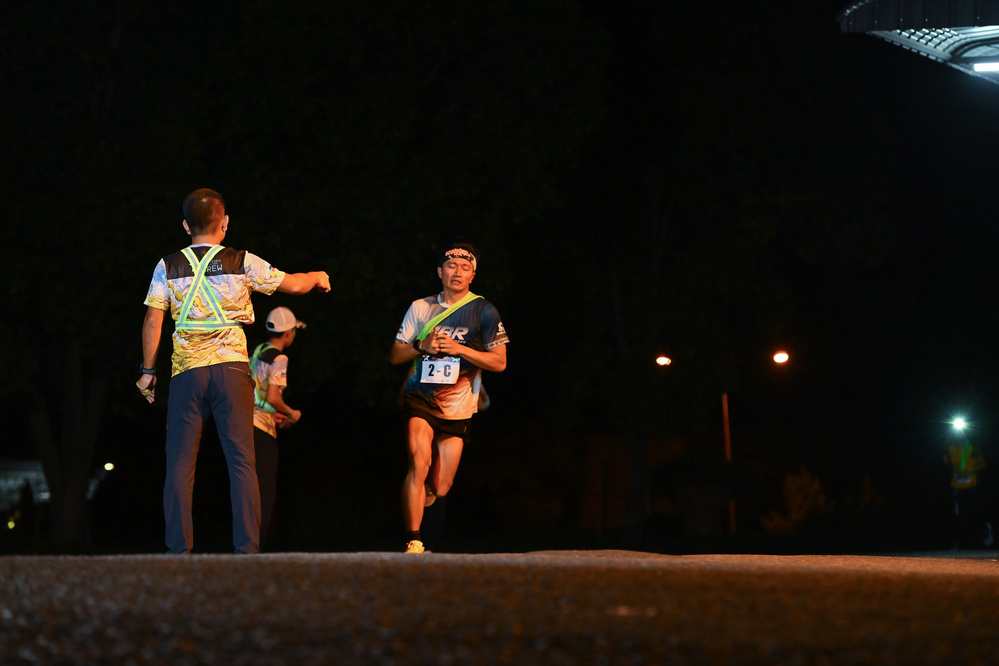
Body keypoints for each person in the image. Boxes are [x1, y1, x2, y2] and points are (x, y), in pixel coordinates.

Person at [136, 188, 330, 555]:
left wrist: (148, 370)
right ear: (224, 223)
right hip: (232, 371)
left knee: (179, 462)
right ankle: (247, 550)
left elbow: (152, 321)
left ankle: (178, 551)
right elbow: (293, 284)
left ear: (185, 225)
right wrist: (317, 276)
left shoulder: (168, 265)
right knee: (242, 460)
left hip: (187, 374)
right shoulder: (241, 260)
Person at [389, 241, 509, 554]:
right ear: (440, 272)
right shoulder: (421, 307)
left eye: (465, 267)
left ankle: (426, 524)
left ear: (472, 276)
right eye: (451, 266)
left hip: (459, 406)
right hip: (420, 397)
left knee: (441, 486)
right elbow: (396, 355)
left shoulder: (484, 310)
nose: (457, 272)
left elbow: (500, 362)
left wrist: (460, 349)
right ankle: (413, 540)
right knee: (419, 463)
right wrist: (421, 345)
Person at [250, 306, 307, 551]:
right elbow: (273, 396)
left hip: (245, 425)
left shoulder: (258, 351)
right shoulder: (280, 358)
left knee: (247, 490)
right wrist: (292, 413)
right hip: (262, 431)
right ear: (288, 333)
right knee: (265, 493)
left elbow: (257, 394)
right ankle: (255, 549)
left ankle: (243, 546)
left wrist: (274, 414)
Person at [945, 431, 992, 550]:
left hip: (971, 485)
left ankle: (985, 533)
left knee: (975, 513)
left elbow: (983, 464)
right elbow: (948, 461)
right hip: (956, 485)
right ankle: (956, 543)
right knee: (957, 514)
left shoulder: (972, 447)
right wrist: (946, 461)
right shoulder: (950, 447)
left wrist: (969, 471)